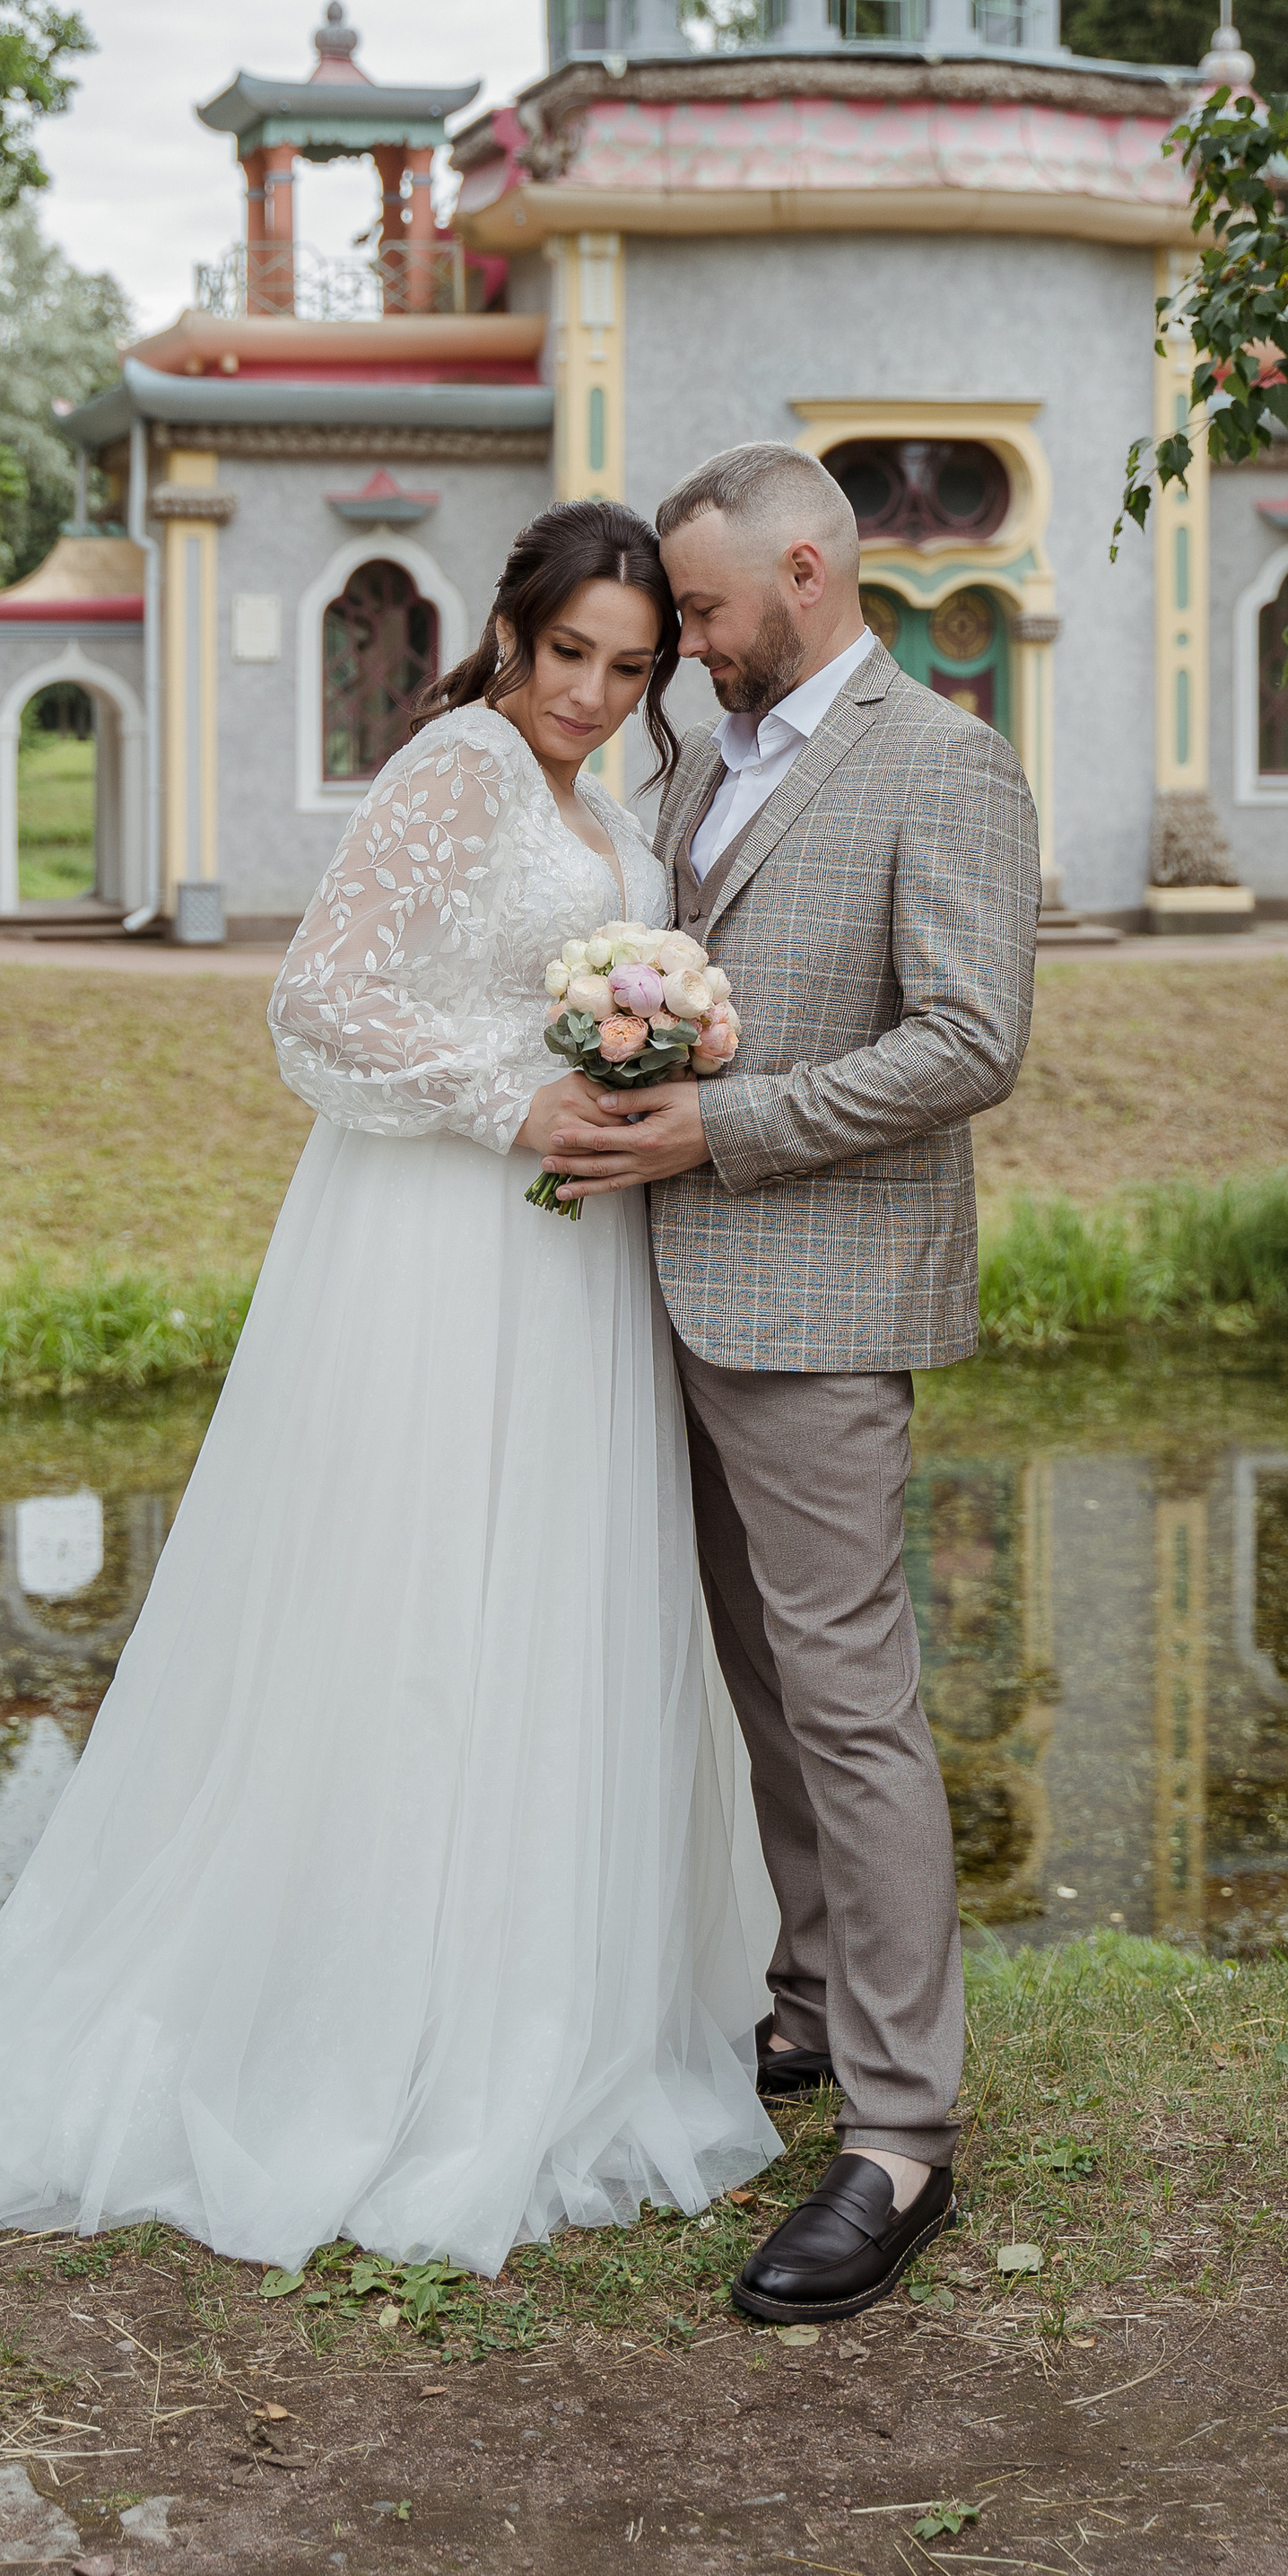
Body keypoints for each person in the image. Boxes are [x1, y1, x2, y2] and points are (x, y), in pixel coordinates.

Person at [0, 499, 776, 2275]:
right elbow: (317, 1005)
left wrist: (648, 1049)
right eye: (567, 651)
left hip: (577, 1266)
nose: (589, 691)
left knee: (549, 1614)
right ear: (511, 630)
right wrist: (517, 1097)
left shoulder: (606, 806)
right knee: (408, 1610)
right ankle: (364, 2025)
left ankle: (546, 2001)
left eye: (628, 667)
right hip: (439, 1245)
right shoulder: (458, 773)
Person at [539, 442, 1040, 2324]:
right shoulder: (698, 752)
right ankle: (810, 2007)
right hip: (660, 1295)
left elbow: (969, 1041)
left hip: (820, 1304)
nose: (678, 641)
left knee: (849, 1703)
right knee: (751, 1682)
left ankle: (901, 2138)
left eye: (702, 608)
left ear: (809, 571)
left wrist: (716, 1127)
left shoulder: (945, 763)